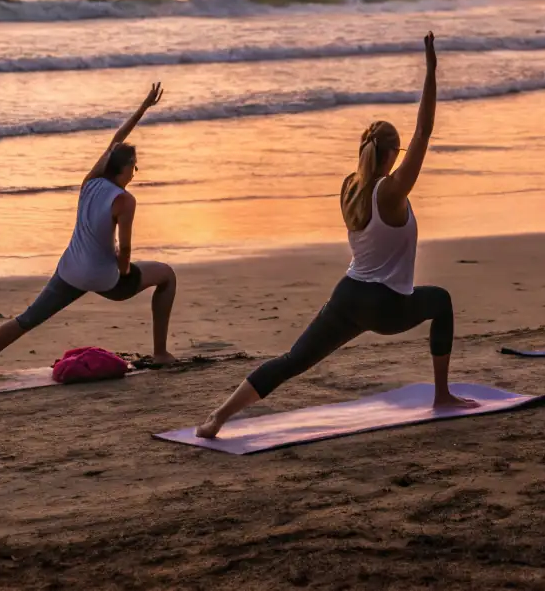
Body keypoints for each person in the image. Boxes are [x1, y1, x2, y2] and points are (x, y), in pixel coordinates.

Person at [195, 34, 475, 438]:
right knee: (441, 302)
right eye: (399, 151)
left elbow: (410, 143)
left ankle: (218, 417)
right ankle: (442, 394)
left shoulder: (350, 187)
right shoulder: (391, 193)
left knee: (293, 359)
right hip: (386, 306)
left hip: (347, 296)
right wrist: (431, 72)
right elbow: (424, 132)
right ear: (392, 153)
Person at [0, 83, 176, 380]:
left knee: (27, 319)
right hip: (105, 278)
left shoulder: (90, 180)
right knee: (166, 275)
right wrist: (124, 272)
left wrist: (143, 107)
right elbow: (124, 249)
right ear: (123, 171)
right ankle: (160, 353)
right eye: (134, 168)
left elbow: (116, 140)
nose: (135, 173)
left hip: (70, 269)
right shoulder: (125, 200)